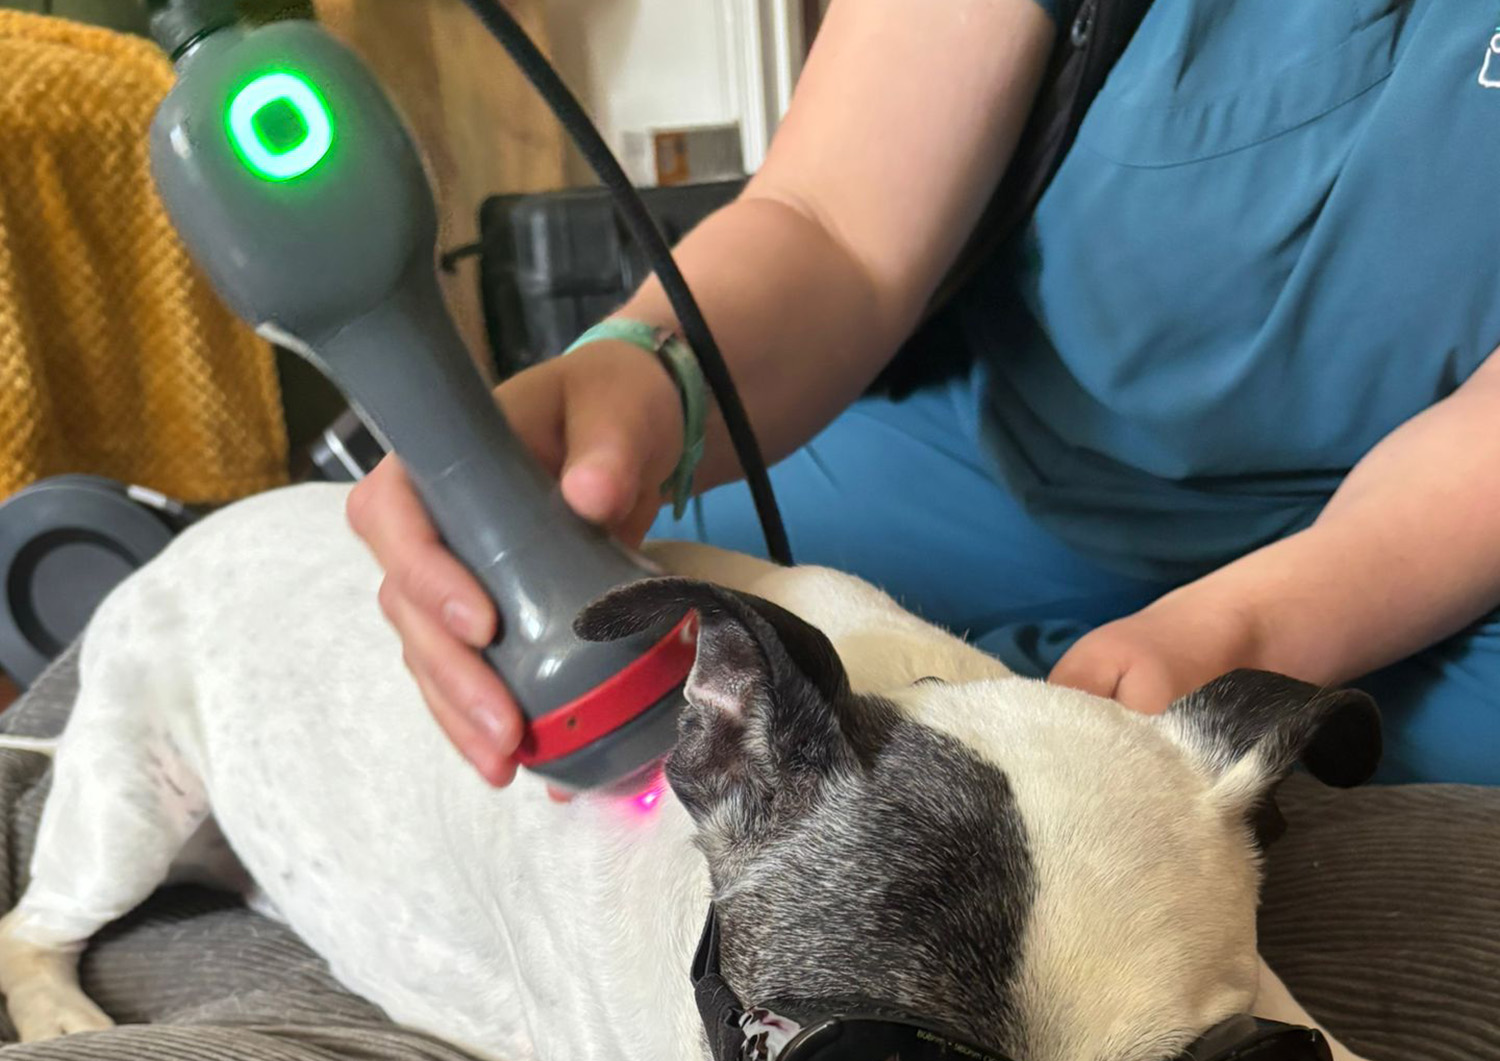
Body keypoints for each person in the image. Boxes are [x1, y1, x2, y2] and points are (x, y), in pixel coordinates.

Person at [349, 0, 1500, 790]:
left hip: (1421, 557)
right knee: (602, 612)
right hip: (986, 454)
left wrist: (1247, 629)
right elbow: (833, 225)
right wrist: (651, 371)